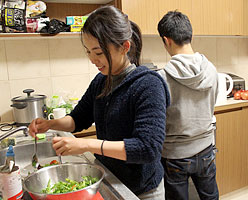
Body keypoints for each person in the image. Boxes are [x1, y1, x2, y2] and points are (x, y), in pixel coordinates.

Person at [28, 5, 170, 200]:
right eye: (88, 52)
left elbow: (147, 149)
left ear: (124, 47)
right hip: (109, 178)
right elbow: (78, 119)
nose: (93, 60)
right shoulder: (101, 81)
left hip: (143, 191)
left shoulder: (148, 85)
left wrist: (88, 145)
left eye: (99, 53)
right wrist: (50, 124)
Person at [157, 10, 219, 200]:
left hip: (175, 154)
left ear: (166, 40)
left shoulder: (162, 77)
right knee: (211, 197)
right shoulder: (212, 70)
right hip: (206, 148)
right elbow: (212, 104)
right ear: (190, 35)